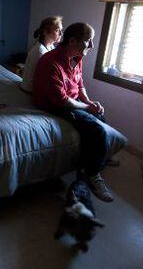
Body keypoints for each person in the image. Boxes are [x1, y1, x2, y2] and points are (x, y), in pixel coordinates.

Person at [33, 22, 114, 202]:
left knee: (100, 115)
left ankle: (101, 154)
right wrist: (86, 108)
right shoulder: (50, 62)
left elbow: (79, 84)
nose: (92, 46)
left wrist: (89, 101)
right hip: (53, 104)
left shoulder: (77, 57)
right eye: (88, 41)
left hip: (71, 100)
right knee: (97, 130)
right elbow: (61, 101)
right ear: (72, 40)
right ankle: (93, 174)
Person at [21, 16, 63, 93]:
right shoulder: (40, 51)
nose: (61, 33)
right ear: (45, 32)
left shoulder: (50, 46)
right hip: (31, 90)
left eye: (61, 30)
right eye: (57, 30)